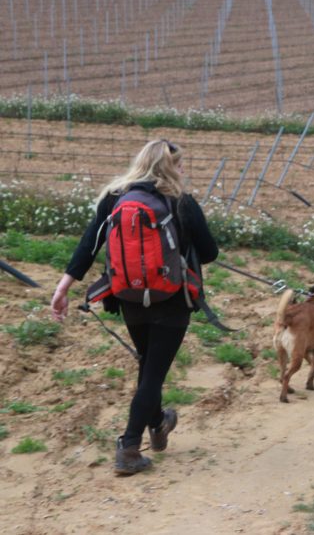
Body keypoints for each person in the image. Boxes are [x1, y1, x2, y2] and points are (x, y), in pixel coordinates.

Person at [50, 139, 218, 476]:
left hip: (127, 296)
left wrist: (63, 287)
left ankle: (158, 422)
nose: (183, 170)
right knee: (153, 373)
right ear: (169, 167)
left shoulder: (115, 198)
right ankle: (129, 448)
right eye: (180, 164)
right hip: (172, 298)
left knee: (148, 367)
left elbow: (90, 244)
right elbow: (210, 251)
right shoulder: (181, 202)